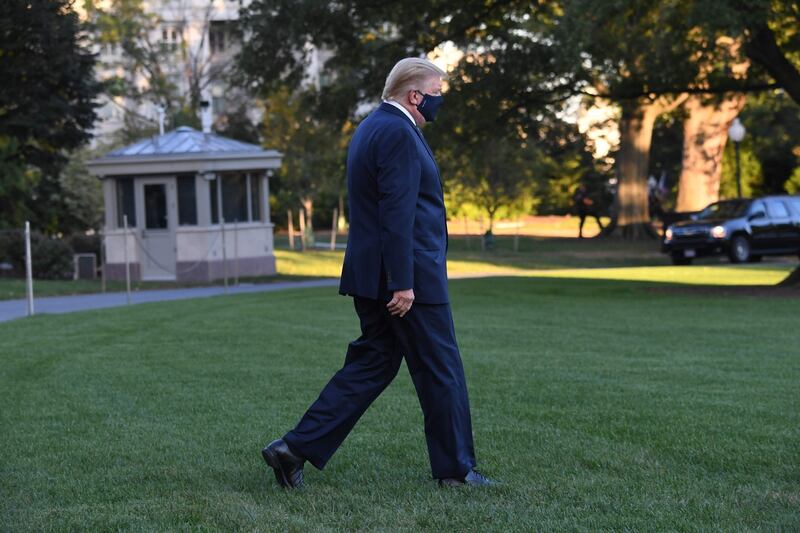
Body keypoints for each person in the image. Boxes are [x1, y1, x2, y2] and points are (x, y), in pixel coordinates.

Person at [261, 58, 495, 489]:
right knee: (442, 369)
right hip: (408, 282)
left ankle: (292, 450)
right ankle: (457, 472)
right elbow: (397, 212)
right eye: (437, 91)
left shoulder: (372, 126)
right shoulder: (399, 132)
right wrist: (404, 283)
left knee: (372, 364)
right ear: (415, 95)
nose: (441, 99)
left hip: (373, 275)